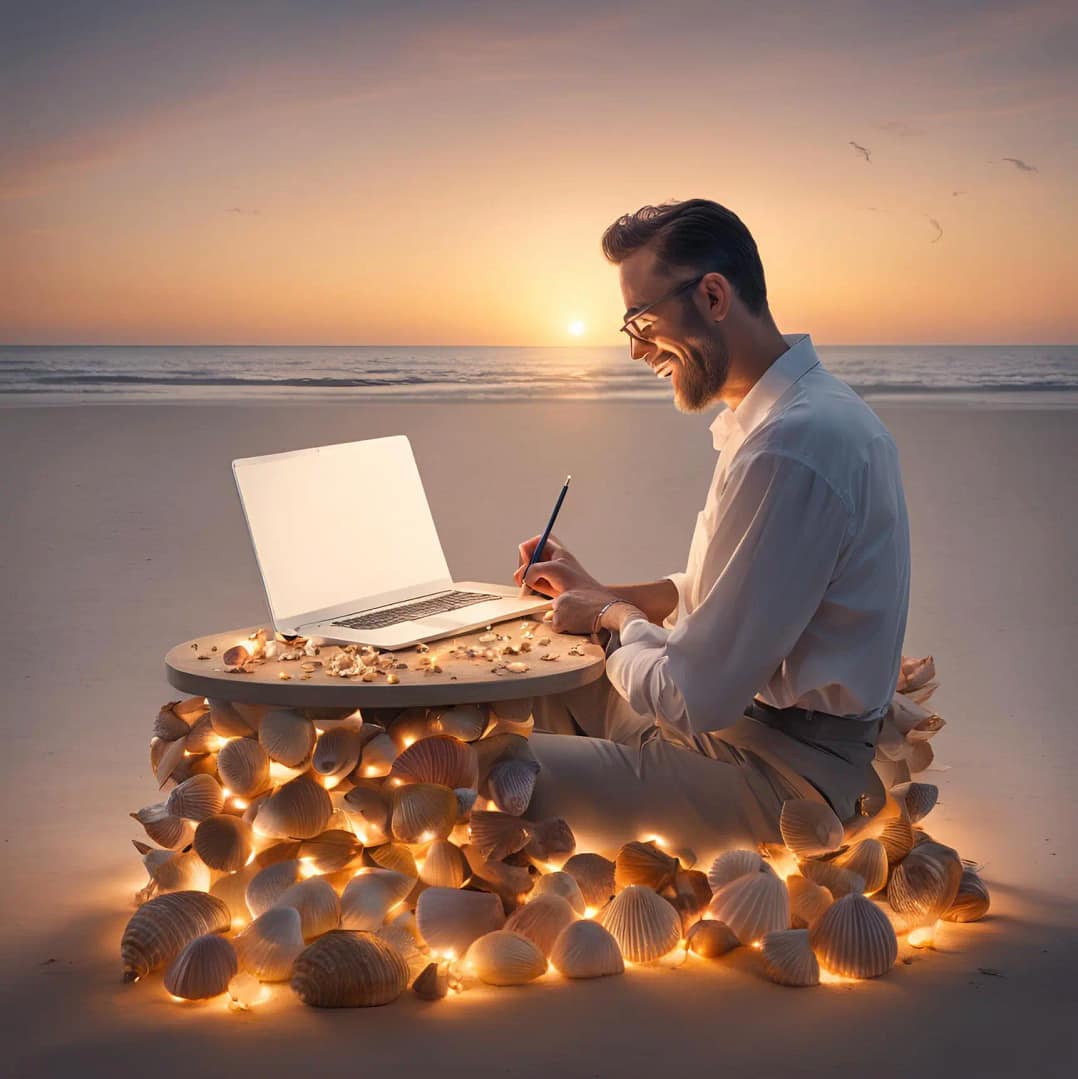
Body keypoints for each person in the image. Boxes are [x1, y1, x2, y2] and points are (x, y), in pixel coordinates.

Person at [516, 198, 911, 863]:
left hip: (784, 782)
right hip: (741, 733)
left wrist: (612, 617)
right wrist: (599, 591)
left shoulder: (792, 445)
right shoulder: (787, 417)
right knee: (539, 684)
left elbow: (692, 695)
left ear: (713, 296)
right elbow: (733, 593)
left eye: (642, 322)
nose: (637, 350)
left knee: (490, 768)